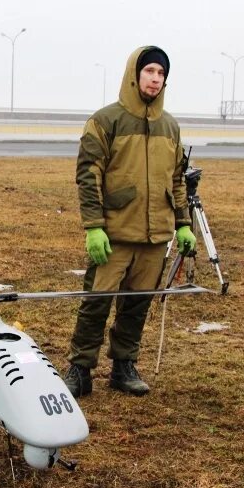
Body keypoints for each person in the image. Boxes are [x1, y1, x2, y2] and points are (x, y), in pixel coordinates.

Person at [63, 46, 195, 398]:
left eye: (161, 73)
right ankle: (80, 368)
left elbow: (177, 179)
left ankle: (124, 366)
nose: (155, 78)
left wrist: (183, 223)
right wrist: (94, 227)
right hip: (115, 233)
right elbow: (88, 175)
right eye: (149, 70)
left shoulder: (170, 127)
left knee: (137, 305)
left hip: (155, 237)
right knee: (96, 303)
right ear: (134, 74)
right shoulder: (105, 121)